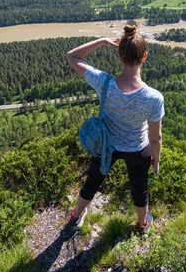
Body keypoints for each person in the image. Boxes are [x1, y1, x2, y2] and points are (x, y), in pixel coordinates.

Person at [65, 25, 164, 233]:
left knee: (93, 181)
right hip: (138, 148)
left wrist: (102, 41)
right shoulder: (154, 98)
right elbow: (155, 138)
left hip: (106, 146)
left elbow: (72, 56)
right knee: (139, 189)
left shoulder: (104, 83)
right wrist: (156, 162)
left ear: (119, 56)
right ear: (144, 56)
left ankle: (76, 216)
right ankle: (142, 224)